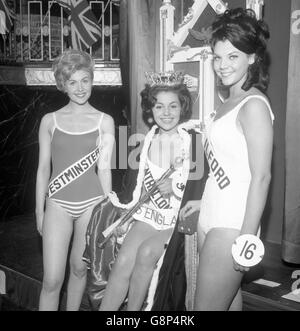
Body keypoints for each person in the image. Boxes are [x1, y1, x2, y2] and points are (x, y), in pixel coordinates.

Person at [179, 8, 274, 311]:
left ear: (252, 57)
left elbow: (261, 177)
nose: (222, 66)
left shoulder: (253, 105)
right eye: (217, 57)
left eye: (233, 57)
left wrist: (246, 235)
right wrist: (202, 201)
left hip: (233, 224)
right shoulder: (227, 102)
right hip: (210, 215)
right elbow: (225, 164)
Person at [97, 72, 193, 311]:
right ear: (151, 110)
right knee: (122, 262)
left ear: (183, 107)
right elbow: (139, 188)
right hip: (148, 216)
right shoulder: (147, 140)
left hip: (174, 221)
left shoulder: (192, 142)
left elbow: (198, 190)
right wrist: (126, 218)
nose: (167, 113)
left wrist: (176, 186)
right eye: (159, 106)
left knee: (146, 253)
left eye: (173, 106)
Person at [35, 49, 115, 311]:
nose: (80, 88)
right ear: (63, 85)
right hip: (57, 204)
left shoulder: (106, 121)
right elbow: (43, 169)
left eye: (85, 80)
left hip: (91, 204)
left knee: (80, 270)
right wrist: (39, 212)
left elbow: (104, 169)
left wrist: (108, 212)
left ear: (92, 81)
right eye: (72, 82)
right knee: (51, 280)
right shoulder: (49, 121)